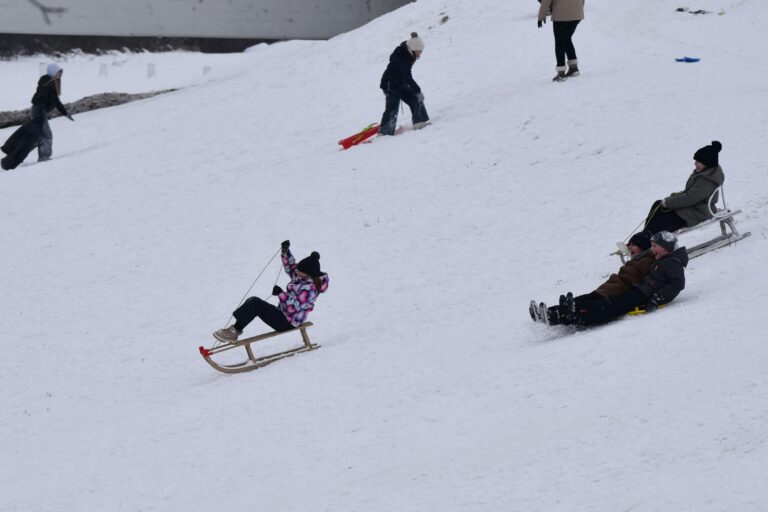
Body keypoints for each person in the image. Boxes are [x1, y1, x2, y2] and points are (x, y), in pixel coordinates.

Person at [550, 232, 688, 327]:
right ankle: (560, 311)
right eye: (651, 246)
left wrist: (657, 298)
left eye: (655, 246)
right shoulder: (661, 261)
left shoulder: (672, 262)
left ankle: (577, 313)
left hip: (645, 294)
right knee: (610, 303)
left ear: (666, 248)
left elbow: (677, 284)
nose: (652, 250)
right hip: (640, 290)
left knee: (611, 306)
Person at [213, 241, 329, 344]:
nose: (297, 271)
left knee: (255, 303)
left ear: (308, 273)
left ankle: (234, 332)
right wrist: (285, 251)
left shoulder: (310, 289)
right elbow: (291, 267)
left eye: (300, 271)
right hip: (283, 315)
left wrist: (280, 293)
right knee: (253, 301)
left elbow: (293, 308)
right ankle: (234, 330)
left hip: (288, 322)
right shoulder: (302, 277)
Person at [530, 231, 655, 324]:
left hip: (616, 292)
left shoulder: (647, 260)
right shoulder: (638, 260)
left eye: (632, 245)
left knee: (582, 305)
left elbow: (647, 279)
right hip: (608, 289)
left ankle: (554, 315)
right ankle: (546, 313)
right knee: (579, 300)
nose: (629, 248)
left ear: (642, 246)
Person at [643, 141, 724, 234]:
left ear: (707, 162)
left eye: (698, 161)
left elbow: (690, 198)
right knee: (658, 205)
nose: (695, 163)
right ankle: (642, 238)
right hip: (694, 208)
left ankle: (645, 242)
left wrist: (668, 202)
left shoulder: (706, 180)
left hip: (699, 213)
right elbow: (690, 193)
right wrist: (672, 199)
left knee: (662, 221)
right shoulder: (704, 174)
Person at [378, 32, 430, 136]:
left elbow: (405, 77)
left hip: (400, 83)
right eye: (419, 51)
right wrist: (418, 90)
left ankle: (419, 122)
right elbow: (408, 77)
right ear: (413, 49)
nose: (420, 53)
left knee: (415, 98)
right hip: (390, 85)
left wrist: (416, 92)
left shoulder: (407, 53)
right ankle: (384, 133)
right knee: (392, 109)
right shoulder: (403, 58)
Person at [30, 63, 74, 162]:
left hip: (41, 111)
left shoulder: (53, 83)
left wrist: (65, 113)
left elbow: (56, 101)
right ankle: (44, 157)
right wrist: (41, 112)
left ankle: (18, 154)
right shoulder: (46, 81)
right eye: (58, 73)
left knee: (38, 136)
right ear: (53, 72)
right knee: (46, 134)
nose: (60, 75)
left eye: (61, 73)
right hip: (39, 110)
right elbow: (41, 95)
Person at [537, 0, 585, 81]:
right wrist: (578, 9)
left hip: (561, 16)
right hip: (577, 14)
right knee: (566, 39)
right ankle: (573, 68)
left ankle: (561, 73)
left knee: (560, 43)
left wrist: (541, 16)